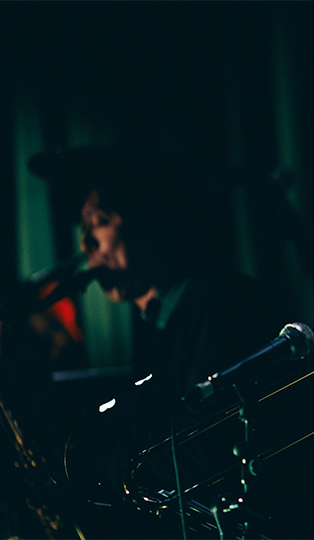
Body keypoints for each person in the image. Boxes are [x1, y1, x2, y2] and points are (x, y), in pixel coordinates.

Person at [25, 146, 292, 537]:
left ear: (154, 223)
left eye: (99, 222)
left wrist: (85, 473)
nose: (86, 245)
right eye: (83, 227)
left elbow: (196, 449)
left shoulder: (222, 305)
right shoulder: (159, 318)